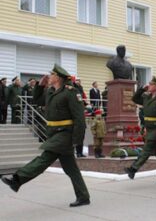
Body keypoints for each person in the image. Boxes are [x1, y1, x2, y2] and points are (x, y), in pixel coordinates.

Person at [1, 64, 90, 207]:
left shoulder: (71, 92)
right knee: (71, 169)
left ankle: (17, 179)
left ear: (58, 78)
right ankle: (83, 196)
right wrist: (40, 86)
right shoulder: (50, 92)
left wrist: (77, 141)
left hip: (65, 133)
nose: (49, 77)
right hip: (53, 133)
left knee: (45, 157)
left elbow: (80, 119)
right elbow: (36, 101)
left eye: (52, 75)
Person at [124, 76, 156, 180]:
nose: (149, 86)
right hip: (149, 128)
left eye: (151, 84)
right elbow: (135, 99)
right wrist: (141, 89)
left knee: (147, 148)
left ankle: (133, 169)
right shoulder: (147, 97)